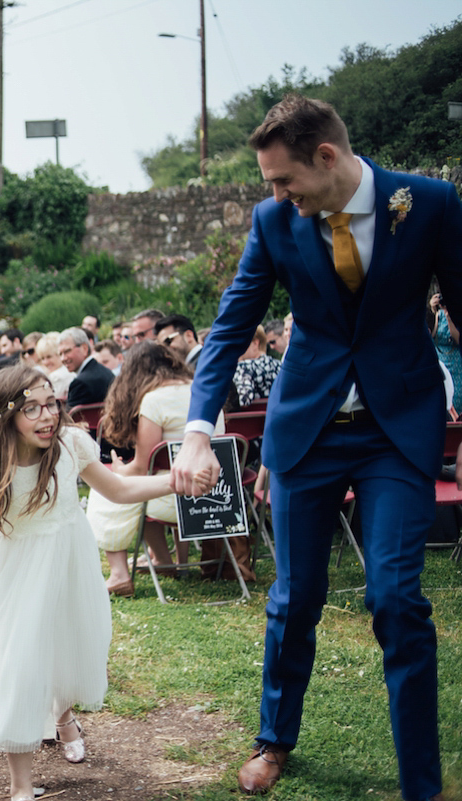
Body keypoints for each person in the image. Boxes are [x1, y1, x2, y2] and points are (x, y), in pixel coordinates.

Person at [169, 94, 462, 801]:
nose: (275, 196)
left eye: (282, 180)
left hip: (397, 431)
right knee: (296, 596)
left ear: (326, 157)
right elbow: (229, 329)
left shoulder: (429, 203)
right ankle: (273, 740)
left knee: (395, 598)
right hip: (306, 434)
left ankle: (421, 781)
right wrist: (199, 432)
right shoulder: (274, 222)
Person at [0, 365, 201, 801]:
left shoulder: (72, 445)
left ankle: (64, 715)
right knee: (21, 662)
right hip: (14, 573)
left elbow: (117, 490)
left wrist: (175, 481)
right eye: (31, 408)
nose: (46, 416)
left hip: (69, 562)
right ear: (4, 417)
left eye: (50, 403)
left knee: (63, 641)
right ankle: (20, 784)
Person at [86, 343, 234, 594]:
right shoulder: (203, 393)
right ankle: (168, 561)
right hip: (217, 495)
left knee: (105, 489)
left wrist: (120, 470)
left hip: (176, 496)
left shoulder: (154, 400)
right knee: (157, 480)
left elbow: (142, 468)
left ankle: (120, 575)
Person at [429, 292, 462, 412]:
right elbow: (432, 337)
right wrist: (433, 312)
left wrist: (449, 317)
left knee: (456, 403)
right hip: (441, 362)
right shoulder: (440, 314)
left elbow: (458, 339)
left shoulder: (456, 313)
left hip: (457, 365)